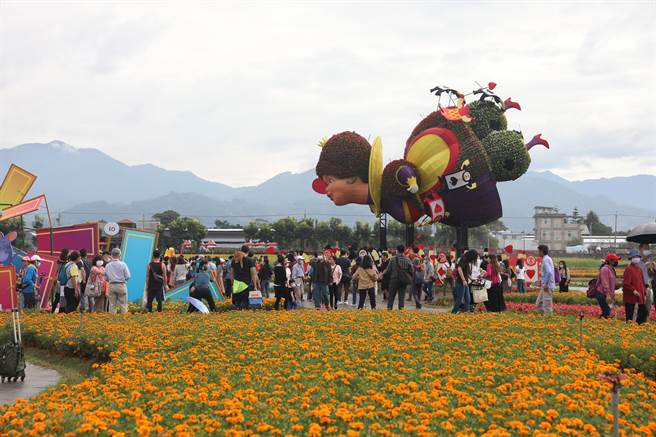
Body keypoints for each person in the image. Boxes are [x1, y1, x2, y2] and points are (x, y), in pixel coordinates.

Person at [623, 250, 647, 324]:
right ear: (631, 258)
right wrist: (633, 290)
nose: (636, 258)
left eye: (638, 257)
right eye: (634, 257)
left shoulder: (639, 269)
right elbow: (626, 283)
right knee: (630, 316)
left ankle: (638, 327)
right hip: (631, 297)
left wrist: (644, 293)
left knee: (642, 313)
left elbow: (642, 282)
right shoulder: (628, 269)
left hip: (640, 296)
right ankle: (629, 330)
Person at [385, 245, 413, 310]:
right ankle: (401, 311)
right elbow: (411, 270)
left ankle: (389, 310)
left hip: (394, 279)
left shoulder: (393, 259)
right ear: (404, 250)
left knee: (391, 296)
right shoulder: (407, 259)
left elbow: (388, 270)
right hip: (403, 280)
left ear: (397, 250)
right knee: (401, 297)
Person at [104, 248, 131, 314]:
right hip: (121, 285)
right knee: (123, 304)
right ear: (119, 255)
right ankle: (123, 320)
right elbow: (128, 276)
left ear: (111, 255)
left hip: (111, 285)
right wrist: (123, 280)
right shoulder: (123, 264)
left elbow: (106, 278)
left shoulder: (107, 265)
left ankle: (112, 321)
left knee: (112, 304)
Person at [232, 245, 259, 310]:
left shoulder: (234, 260)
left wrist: (232, 283)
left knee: (237, 304)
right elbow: (253, 274)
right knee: (245, 304)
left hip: (236, 285)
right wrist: (255, 286)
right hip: (246, 285)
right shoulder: (250, 260)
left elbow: (232, 273)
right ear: (248, 251)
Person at [596, 253, 620, 318]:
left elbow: (612, 284)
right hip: (603, 294)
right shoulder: (605, 269)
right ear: (610, 261)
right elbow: (605, 283)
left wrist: (620, 284)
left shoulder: (611, 269)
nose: (617, 262)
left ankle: (602, 324)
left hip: (608, 294)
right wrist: (608, 295)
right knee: (606, 313)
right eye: (615, 260)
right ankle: (601, 325)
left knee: (607, 313)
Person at [535, 245, 555, 315]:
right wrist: (541, 281)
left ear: (542, 251)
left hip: (547, 286)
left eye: (539, 251)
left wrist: (546, 283)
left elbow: (549, 272)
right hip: (545, 285)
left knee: (547, 305)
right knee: (539, 303)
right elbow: (546, 273)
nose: (538, 253)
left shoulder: (546, 259)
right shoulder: (546, 259)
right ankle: (541, 318)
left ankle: (549, 320)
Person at [52, 248, 69, 312]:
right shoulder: (67, 263)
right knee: (63, 298)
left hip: (59, 281)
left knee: (57, 298)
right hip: (64, 282)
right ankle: (61, 311)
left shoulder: (58, 261)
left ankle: (52, 310)